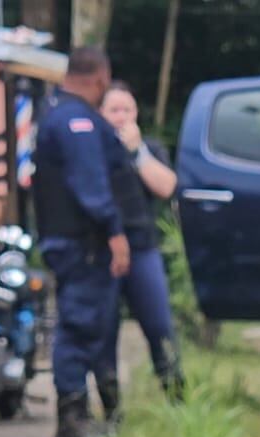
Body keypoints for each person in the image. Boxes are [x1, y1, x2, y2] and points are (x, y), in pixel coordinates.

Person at [31, 47, 132, 437]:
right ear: (101, 78)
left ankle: (96, 413)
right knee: (78, 327)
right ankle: (71, 421)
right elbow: (90, 184)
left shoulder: (61, 114)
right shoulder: (76, 122)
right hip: (82, 244)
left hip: (76, 242)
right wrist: (114, 230)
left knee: (96, 325)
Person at [99, 81, 185, 407]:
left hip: (142, 248)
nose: (121, 116)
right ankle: (110, 411)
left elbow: (167, 187)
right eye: (113, 110)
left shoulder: (149, 148)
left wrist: (136, 152)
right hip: (102, 252)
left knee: (159, 325)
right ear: (100, 114)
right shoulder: (91, 150)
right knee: (104, 330)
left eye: (127, 110)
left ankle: (177, 401)